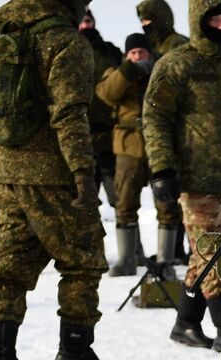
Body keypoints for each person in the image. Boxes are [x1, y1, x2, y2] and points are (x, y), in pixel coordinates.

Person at [0, 0, 126, 360]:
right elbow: (68, 113)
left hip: (6, 170)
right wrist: (82, 170)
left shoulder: (7, 38)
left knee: (11, 262)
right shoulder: (66, 42)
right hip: (53, 172)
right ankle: (75, 353)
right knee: (83, 257)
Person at [143, 0, 221, 352]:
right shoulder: (176, 65)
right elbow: (155, 118)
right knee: (215, 251)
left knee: (213, 251)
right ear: (199, 20)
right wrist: (161, 168)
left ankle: (186, 323)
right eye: (215, 19)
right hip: (195, 179)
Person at [98, 33, 184, 276]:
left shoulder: (162, 71)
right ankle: (127, 259)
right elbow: (106, 93)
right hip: (128, 146)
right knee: (124, 202)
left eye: (141, 52)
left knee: (167, 203)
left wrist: (152, 73)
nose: (138, 57)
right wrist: (128, 71)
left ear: (149, 53)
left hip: (160, 145)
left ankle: (165, 263)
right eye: (133, 53)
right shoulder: (117, 73)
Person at [78, 8, 125, 213]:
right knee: (85, 203)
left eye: (88, 21)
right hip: (81, 138)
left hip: (109, 136)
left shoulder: (110, 51)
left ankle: (129, 236)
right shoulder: (68, 52)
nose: (85, 26)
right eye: (82, 22)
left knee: (120, 199)